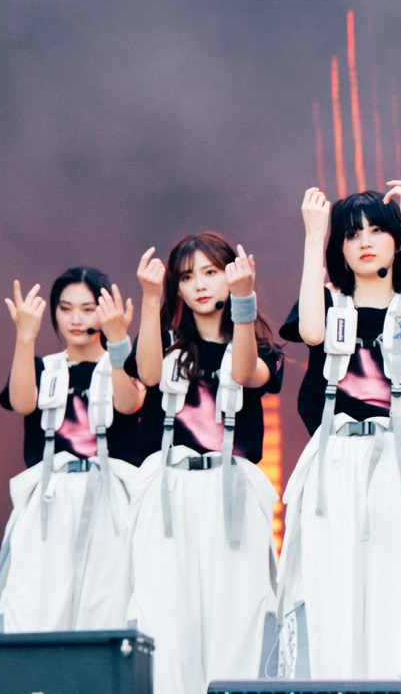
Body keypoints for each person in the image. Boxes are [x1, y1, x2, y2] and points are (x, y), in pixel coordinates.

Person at [276, 184, 401, 679]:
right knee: (335, 593)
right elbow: (310, 331)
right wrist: (313, 236)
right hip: (337, 459)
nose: (365, 241)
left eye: (376, 230)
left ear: (396, 240)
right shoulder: (330, 303)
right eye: (352, 234)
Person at [122, 234, 282, 694]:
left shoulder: (256, 345)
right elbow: (148, 374)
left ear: (231, 274)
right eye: (188, 276)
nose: (200, 285)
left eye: (211, 272)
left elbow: (245, 373)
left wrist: (245, 302)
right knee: (167, 616)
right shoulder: (166, 341)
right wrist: (149, 298)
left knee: (237, 616)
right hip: (169, 487)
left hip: (231, 488)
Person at [0, 269, 140, 633]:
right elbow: (22, 402)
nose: (76, 319)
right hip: (49, 499)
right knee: (36, 602)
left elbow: (130, 403)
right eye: (66, 309)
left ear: (105, 311)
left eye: (87, 308)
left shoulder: (122, 365)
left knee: (106, 603)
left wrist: (118, 342)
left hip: (110, 499)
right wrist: (25, 337)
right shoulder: (44, 367)